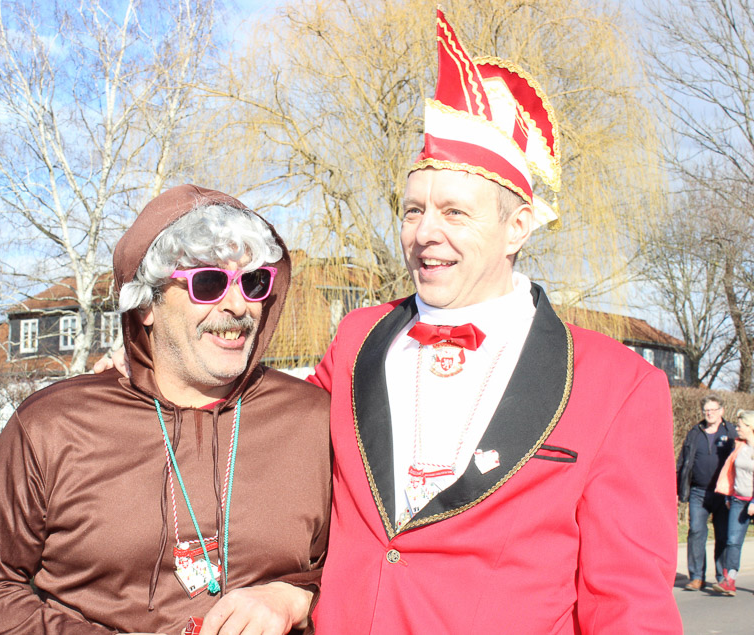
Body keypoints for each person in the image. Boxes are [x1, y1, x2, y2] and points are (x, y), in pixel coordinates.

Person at [306, 10, 681, 632]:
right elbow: (281, 469)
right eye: (413, 210)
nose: (425, 233)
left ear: (517, 227)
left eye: (455, 212)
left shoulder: (619, 383)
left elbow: (630, 604)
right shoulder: (354, 339)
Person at [0, 185, 331, 634]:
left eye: (254, 282)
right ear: (147, 304)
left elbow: (374, 565)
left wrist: (297, 597)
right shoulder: (52, 424)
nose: (238, 305)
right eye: (208, 284)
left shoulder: (314, 420)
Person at [677, 395, 736, 591]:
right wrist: (678, 489)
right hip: (698, 492)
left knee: (723, 534)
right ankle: (696, 577)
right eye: (706, 410)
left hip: (723, 493)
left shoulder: (731, 432)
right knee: (696, 532)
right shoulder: (695, 432)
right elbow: (683, 462)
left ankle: (722, 577)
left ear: (721, 411)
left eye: (712, 409)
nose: (709, 413)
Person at [712, 408, 754, 596]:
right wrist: (729, 496)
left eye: (740, 426)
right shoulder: (739, 447)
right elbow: (731, 472)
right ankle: (730, 580)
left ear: (750, 427)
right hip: (738, 499)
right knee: (733, 541)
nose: (737, 429)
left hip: (752, 500)